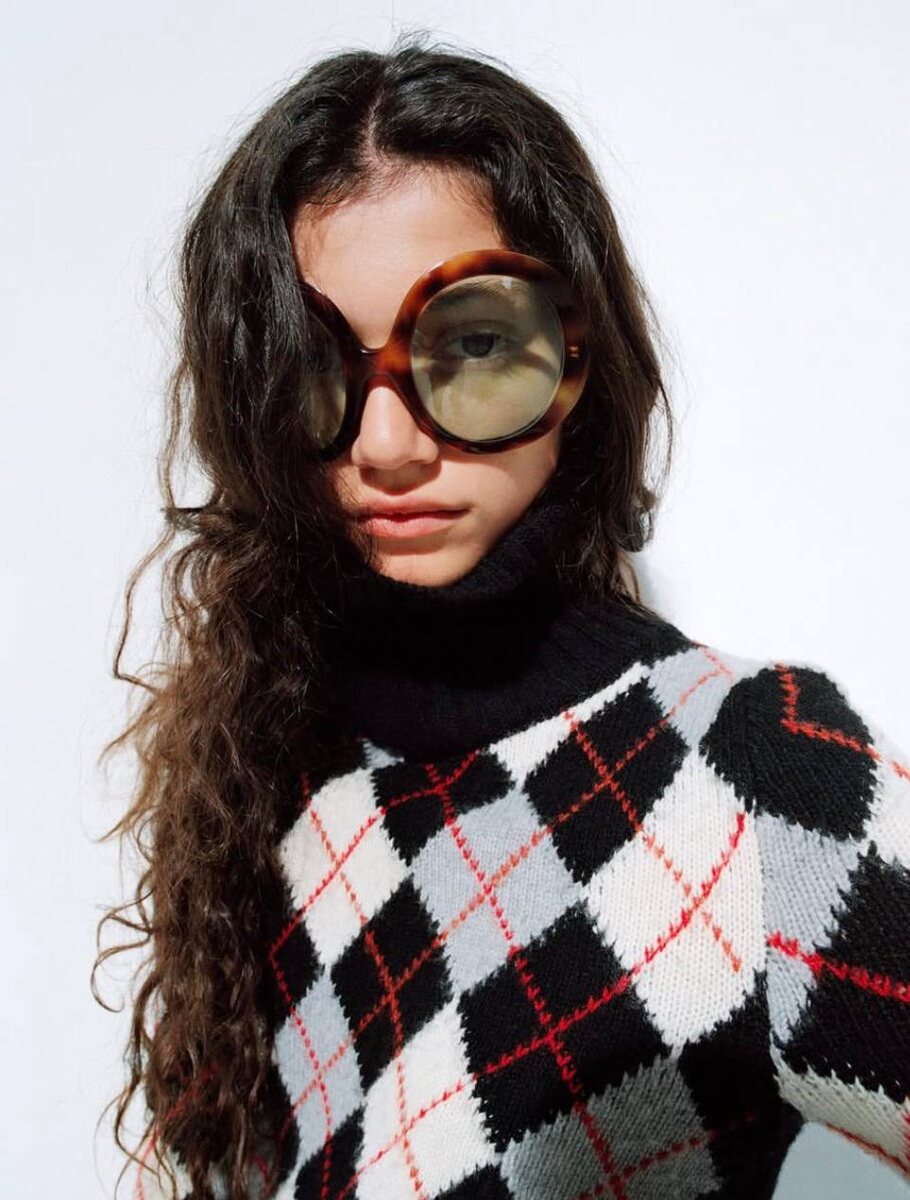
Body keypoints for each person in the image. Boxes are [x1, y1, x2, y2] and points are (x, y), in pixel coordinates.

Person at [93, 36, 910, 1200]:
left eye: (468, 343)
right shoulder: (270, 780)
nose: (386, 444)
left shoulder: (747, 768)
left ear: (578, 353)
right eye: (312, 364)